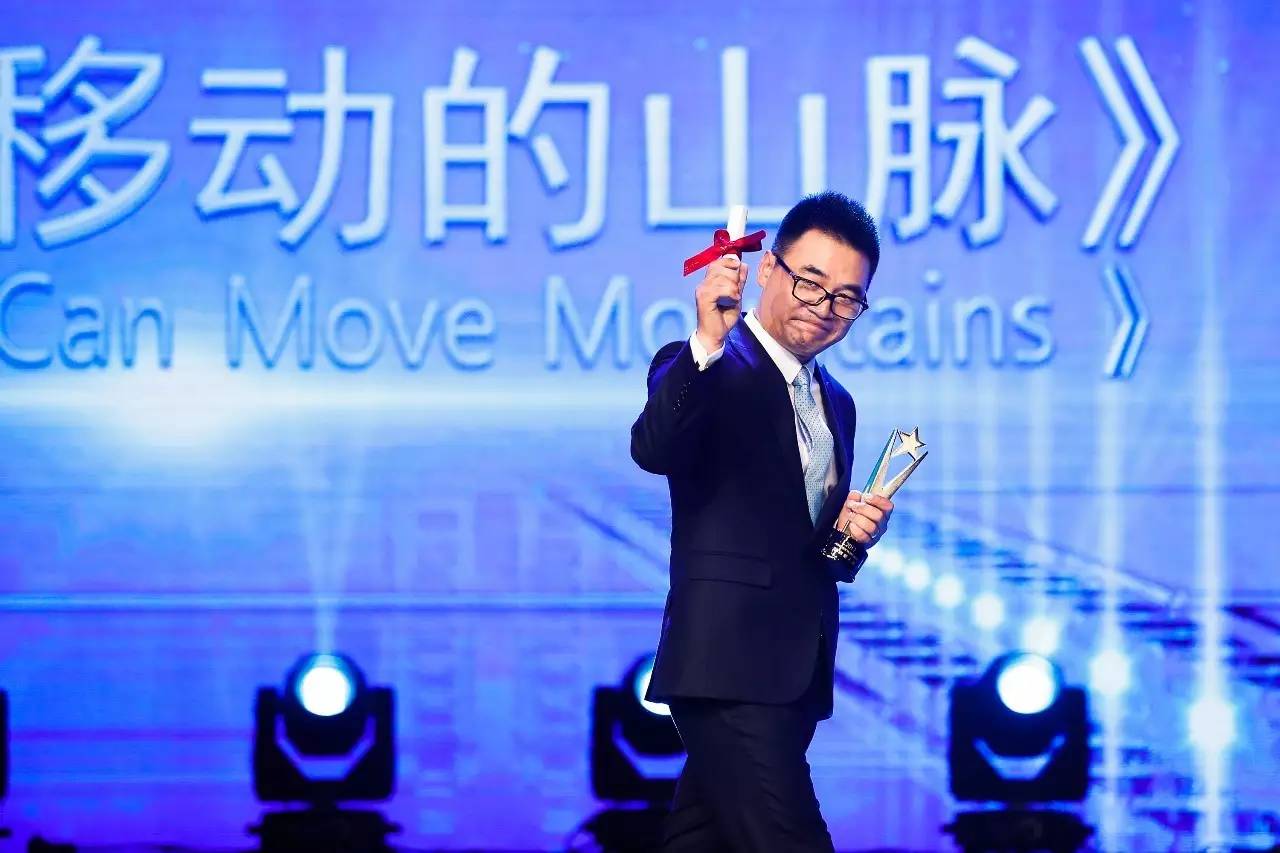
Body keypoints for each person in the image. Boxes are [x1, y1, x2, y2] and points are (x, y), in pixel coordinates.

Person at [630, 191, 895, 851]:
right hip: (726, 668)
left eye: (847, 298)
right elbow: (654, 448)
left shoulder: (837, 402)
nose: (824, 307)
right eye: (810, 282)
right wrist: (705, 343)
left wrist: (852, 535)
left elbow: (809, 550)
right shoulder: (707, 365)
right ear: (769, 268)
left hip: (797, 671)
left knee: (701, 839)